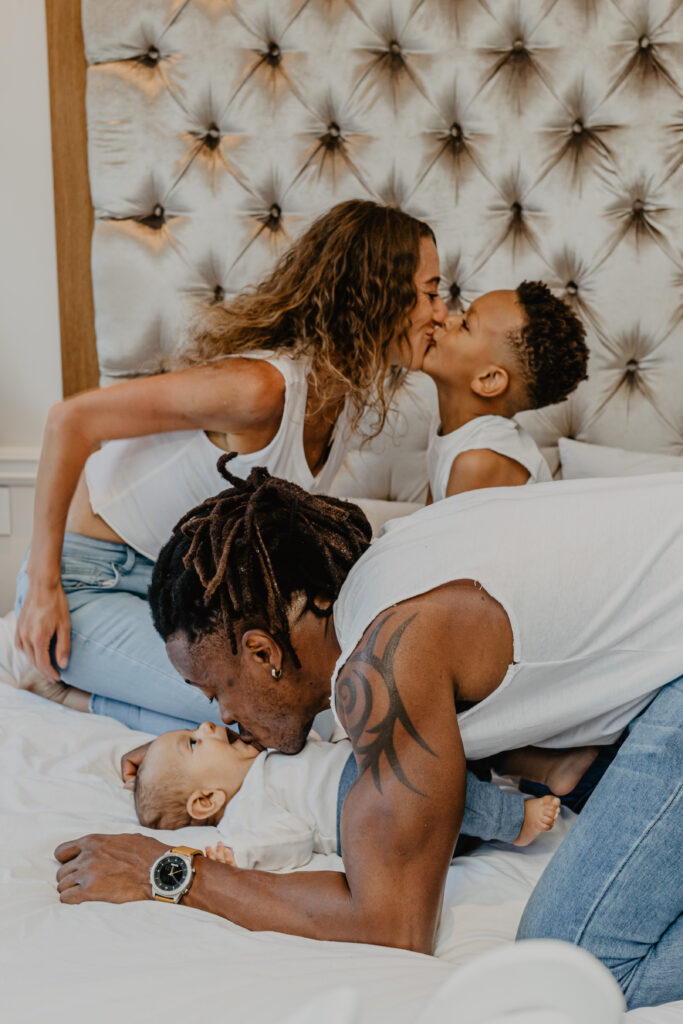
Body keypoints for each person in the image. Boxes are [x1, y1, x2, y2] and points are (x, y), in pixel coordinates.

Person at [54, 467, 683, 1010]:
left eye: (215, 691)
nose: (223, 716)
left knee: (573, 966)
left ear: (263, 652)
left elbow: (393, 925)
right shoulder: (381, 579)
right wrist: (181, 762)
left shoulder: (385, 661)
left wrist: (163, 870)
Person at [14, 199, 447, 735]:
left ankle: (88, 691)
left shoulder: (339, 398)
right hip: (89, 585)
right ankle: (71, 694)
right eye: (431, 292)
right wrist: (43, 590)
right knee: (281, 718)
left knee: (300, 711)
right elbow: (69, 421)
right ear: (378, 291)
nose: (441, 314)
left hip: (185, 600)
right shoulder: (259, 389)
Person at [135, 722, 610, 862]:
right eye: (193, 743)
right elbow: (290, 839)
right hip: (367, 808)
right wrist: (242, 856)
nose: (206, 725)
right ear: (207, 801)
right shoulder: (247, 814)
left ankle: (542, 767)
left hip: (367, 766)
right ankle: (514, 822)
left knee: (449, 747)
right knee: (433, 789)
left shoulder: (263, 757)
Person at [423, 281, 587, 501]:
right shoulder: (444, 423)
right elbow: (426, 516)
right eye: (462, 313)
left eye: (465, 325)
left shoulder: (479, 460)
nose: (447, 319)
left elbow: (440, 524)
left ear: (488, 380)